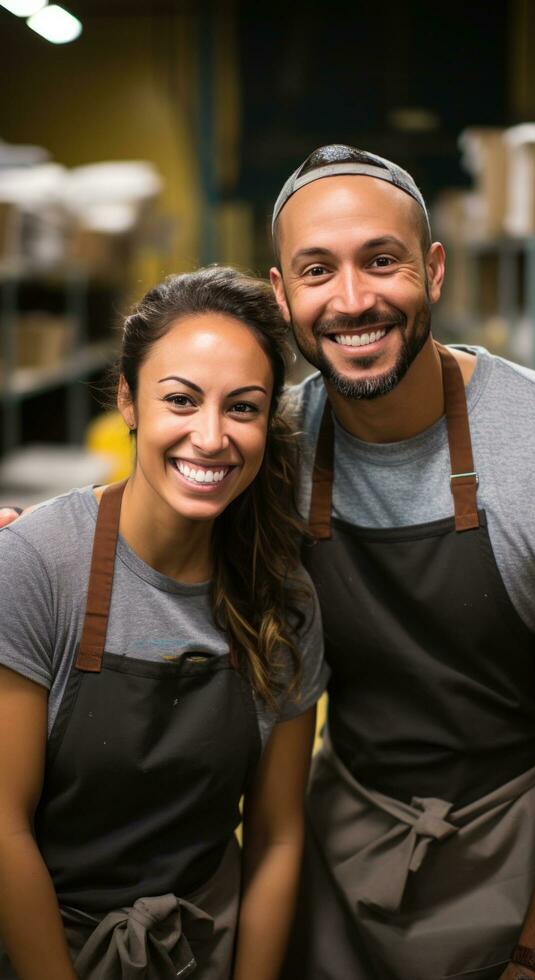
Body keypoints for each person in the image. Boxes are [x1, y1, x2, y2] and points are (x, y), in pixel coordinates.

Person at [266, 145, 535, 980]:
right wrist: (33, 541)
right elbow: (140, 526)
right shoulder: (270, 446)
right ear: (282, 296)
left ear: (430, 271)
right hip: (346, 832)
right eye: (317, 271)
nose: (352, 301)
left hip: (521, 843)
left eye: (379, 261)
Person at [0, 266, 328, 980]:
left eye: (242, 408)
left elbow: (275, 837)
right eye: (181, 400)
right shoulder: (36, 565)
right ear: (128, 399)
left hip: (200, 949)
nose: (210, 438)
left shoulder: (281, 598)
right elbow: (4, 828)